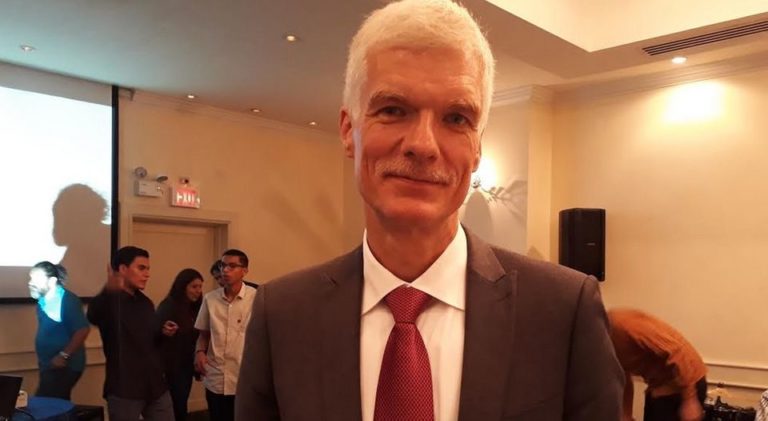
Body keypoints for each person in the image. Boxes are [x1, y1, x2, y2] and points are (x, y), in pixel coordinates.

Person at [235, 1, 624, 420]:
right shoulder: (283, 314)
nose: (423, 145)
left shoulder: (562, 310)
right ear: (349, 130)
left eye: (456, 118)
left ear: (477, 148)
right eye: (393, 110)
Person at [87, 246, 178, 421]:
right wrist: (107, 291)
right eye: (141, 268)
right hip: (125, 389)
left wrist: (163, 332)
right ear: (123, 269)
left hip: (155, 385)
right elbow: (93, 315)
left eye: (148, 269)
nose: (147, 274)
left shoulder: (145, 303)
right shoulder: (109, 301)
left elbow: (148, 338)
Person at [608, 308, 707, 421]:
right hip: (658, 386)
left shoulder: (624, 324)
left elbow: (676, 353)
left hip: (686, 380)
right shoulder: (606, 343)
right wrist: (626, 414)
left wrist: (689, 399)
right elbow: (624, 374)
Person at [195, 249, 256, 421]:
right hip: (216, 378)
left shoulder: (256, 298)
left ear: (244, 270)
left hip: (243, 379)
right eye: (223, 265)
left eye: (232, 266)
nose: (225, 270)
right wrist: (199, 352)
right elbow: (203, 334)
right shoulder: (210, 299)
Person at [28, 261, 90, 400]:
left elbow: (82, 330)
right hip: (49, 365)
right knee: (56, 405)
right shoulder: (42, 300)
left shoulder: (67, 300)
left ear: (52, 281)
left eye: (36, 279)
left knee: (46, 405)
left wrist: (63, 356)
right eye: (30, 278)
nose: (30, 283)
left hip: (65, 366)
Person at [156, 268, 204, 421]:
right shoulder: (169, 306)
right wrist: (164, 330)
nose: (198, 291)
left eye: (200, 286)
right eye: (194, 286)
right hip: (171, 367)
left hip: (186, 366)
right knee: (176, 406)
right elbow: (154, 332)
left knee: (181, 404)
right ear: (183, 287)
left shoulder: (195, 308)